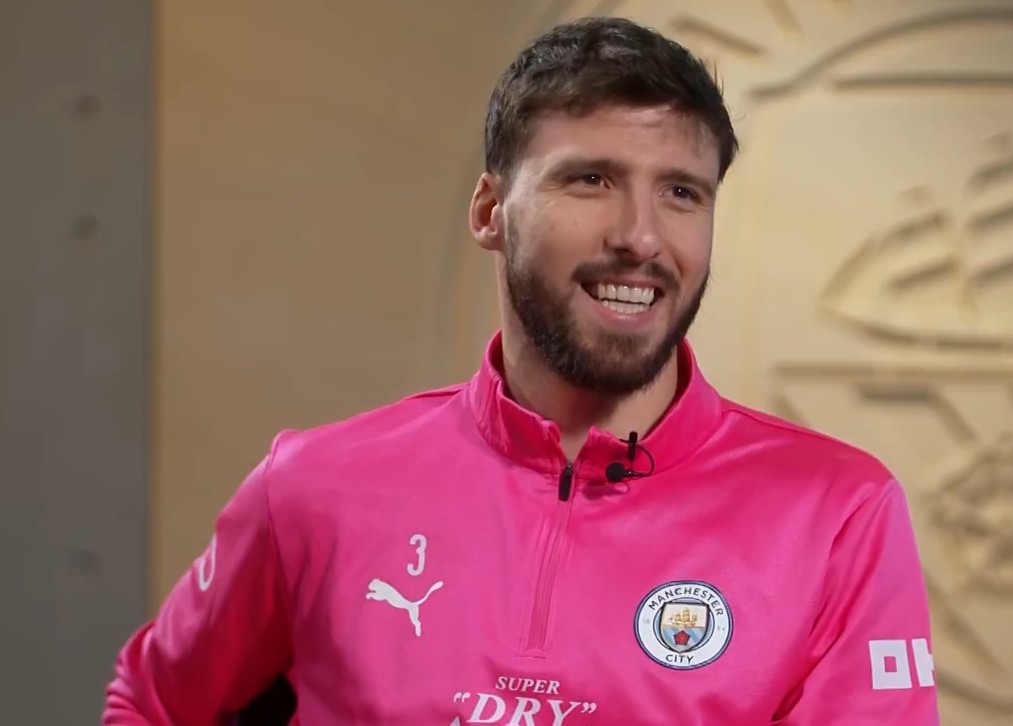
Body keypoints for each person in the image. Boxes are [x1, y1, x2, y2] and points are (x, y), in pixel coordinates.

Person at [104, 16, 940, 725]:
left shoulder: (838, 515)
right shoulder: (313, 487)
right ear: (489, 212)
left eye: (682, 193)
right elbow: (150, 704)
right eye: (591, 180)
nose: (641, 237)